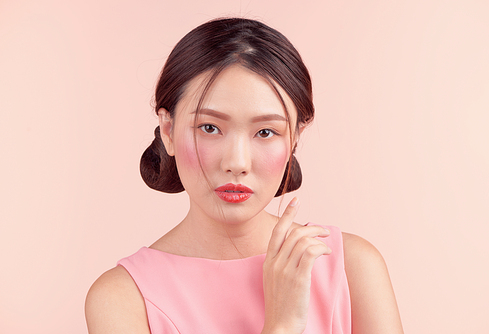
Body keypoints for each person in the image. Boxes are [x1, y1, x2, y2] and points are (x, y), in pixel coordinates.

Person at [85, 18, 404, 334]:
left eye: (266, 132)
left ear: (295, 137)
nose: (236, 162)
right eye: (209, 128)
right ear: (168, 130)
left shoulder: (353, 268)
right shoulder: (123, 298)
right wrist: (282, 325)